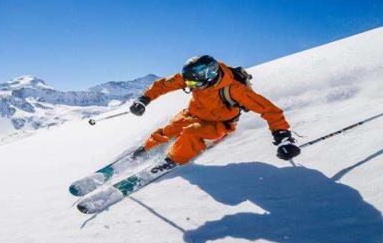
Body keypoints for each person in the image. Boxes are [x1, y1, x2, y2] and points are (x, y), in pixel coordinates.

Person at [129, 55, 301, 164]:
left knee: (190, 133)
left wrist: (283, 138)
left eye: (193, 84)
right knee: (169, 130)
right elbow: (163, 85)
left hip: (220, 124)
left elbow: (270, 110)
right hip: (193, 114)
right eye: (187, 82)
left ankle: (172, 160)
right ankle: (145, 149)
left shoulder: (234, 89)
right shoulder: (193, 77)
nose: (189, 86)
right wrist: (144, 100)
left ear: (209, 77)